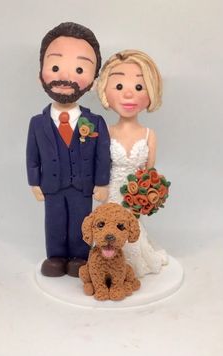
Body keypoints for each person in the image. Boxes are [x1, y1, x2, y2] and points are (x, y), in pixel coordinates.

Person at [26, 22, 110, 278]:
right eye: (54, 66)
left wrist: (102, 183)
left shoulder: (95, 122)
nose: (66, 77)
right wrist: (34, 182)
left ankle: (79, 256)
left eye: (80, 68)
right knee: (53, 221)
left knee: (80, 221)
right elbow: (32, 156)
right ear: (41, 73)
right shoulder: (37, 123)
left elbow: (102, 156)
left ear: (94, 80)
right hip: (51, 185)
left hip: (83, 186)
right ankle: (55, 256)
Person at [97, 50, 168, 278]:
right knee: (109, 227)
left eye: (139, 87)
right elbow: (99, 165)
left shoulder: (149, 134)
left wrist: (148, 195)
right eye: (118, 87)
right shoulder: (106, 131)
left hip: (134, 196)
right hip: (111, 191)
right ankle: (106, 265)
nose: (128, 94)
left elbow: (150, 173)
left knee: (131, 228)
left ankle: (132, 263)